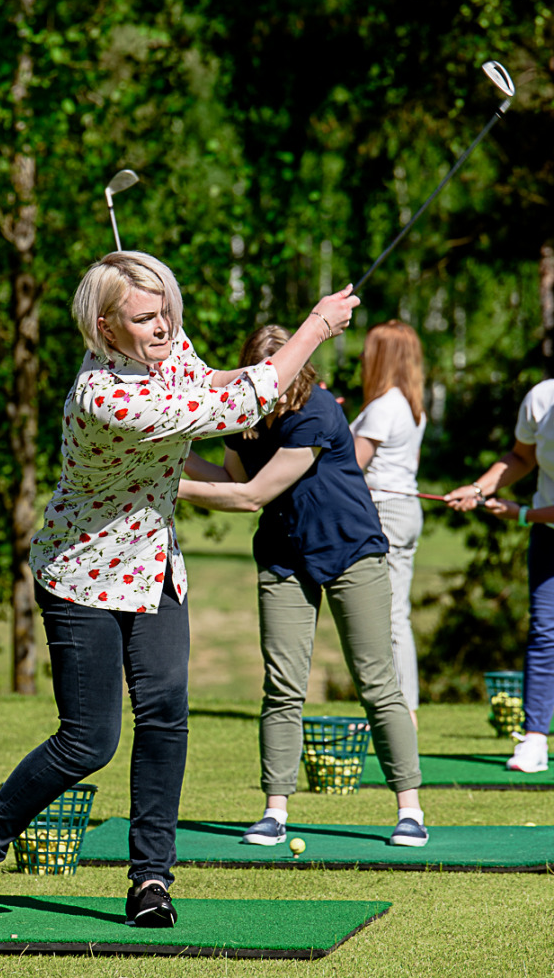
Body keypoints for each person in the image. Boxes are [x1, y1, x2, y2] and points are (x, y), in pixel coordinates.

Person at [0, 251, 359, 927]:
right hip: (82, 575)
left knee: (165, 718)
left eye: (165, 313)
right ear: (105, 325)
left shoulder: (164, 348)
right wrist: (315, 327)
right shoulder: (106, 397)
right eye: (145, 317)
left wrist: (250, 360)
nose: (163, 327)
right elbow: (233, 404)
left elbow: (214, 377)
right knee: (87, 743)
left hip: (154, 569)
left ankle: (150, 882)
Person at [178, 324, 427, 849]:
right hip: (284, 556)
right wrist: (166, 454)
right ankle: (274, 811)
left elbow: (251, 496)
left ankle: (410, 810)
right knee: (282, 686)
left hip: (351, 550)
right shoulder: (244, 418)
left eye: (287, 379)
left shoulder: (316, 411)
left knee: (377, 683)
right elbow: (228, 479)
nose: (279, 393)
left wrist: (167, 483)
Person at [445, 378, 554, 773]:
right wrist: (477, 488)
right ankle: (536, 740)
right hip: (550, 538)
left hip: (539, 520)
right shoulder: (541, 399)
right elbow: (522, 458)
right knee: (544, 631)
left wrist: (521, 514)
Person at [349, 321, 426, 728]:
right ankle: (402, 709)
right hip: (406, 509)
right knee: (398, 613)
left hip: (387, 513)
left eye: (369, 349)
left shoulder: (384, 406)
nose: (363, 356)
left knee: (390, 615)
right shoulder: (411, 406)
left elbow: (350, 466)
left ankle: (403, 713)